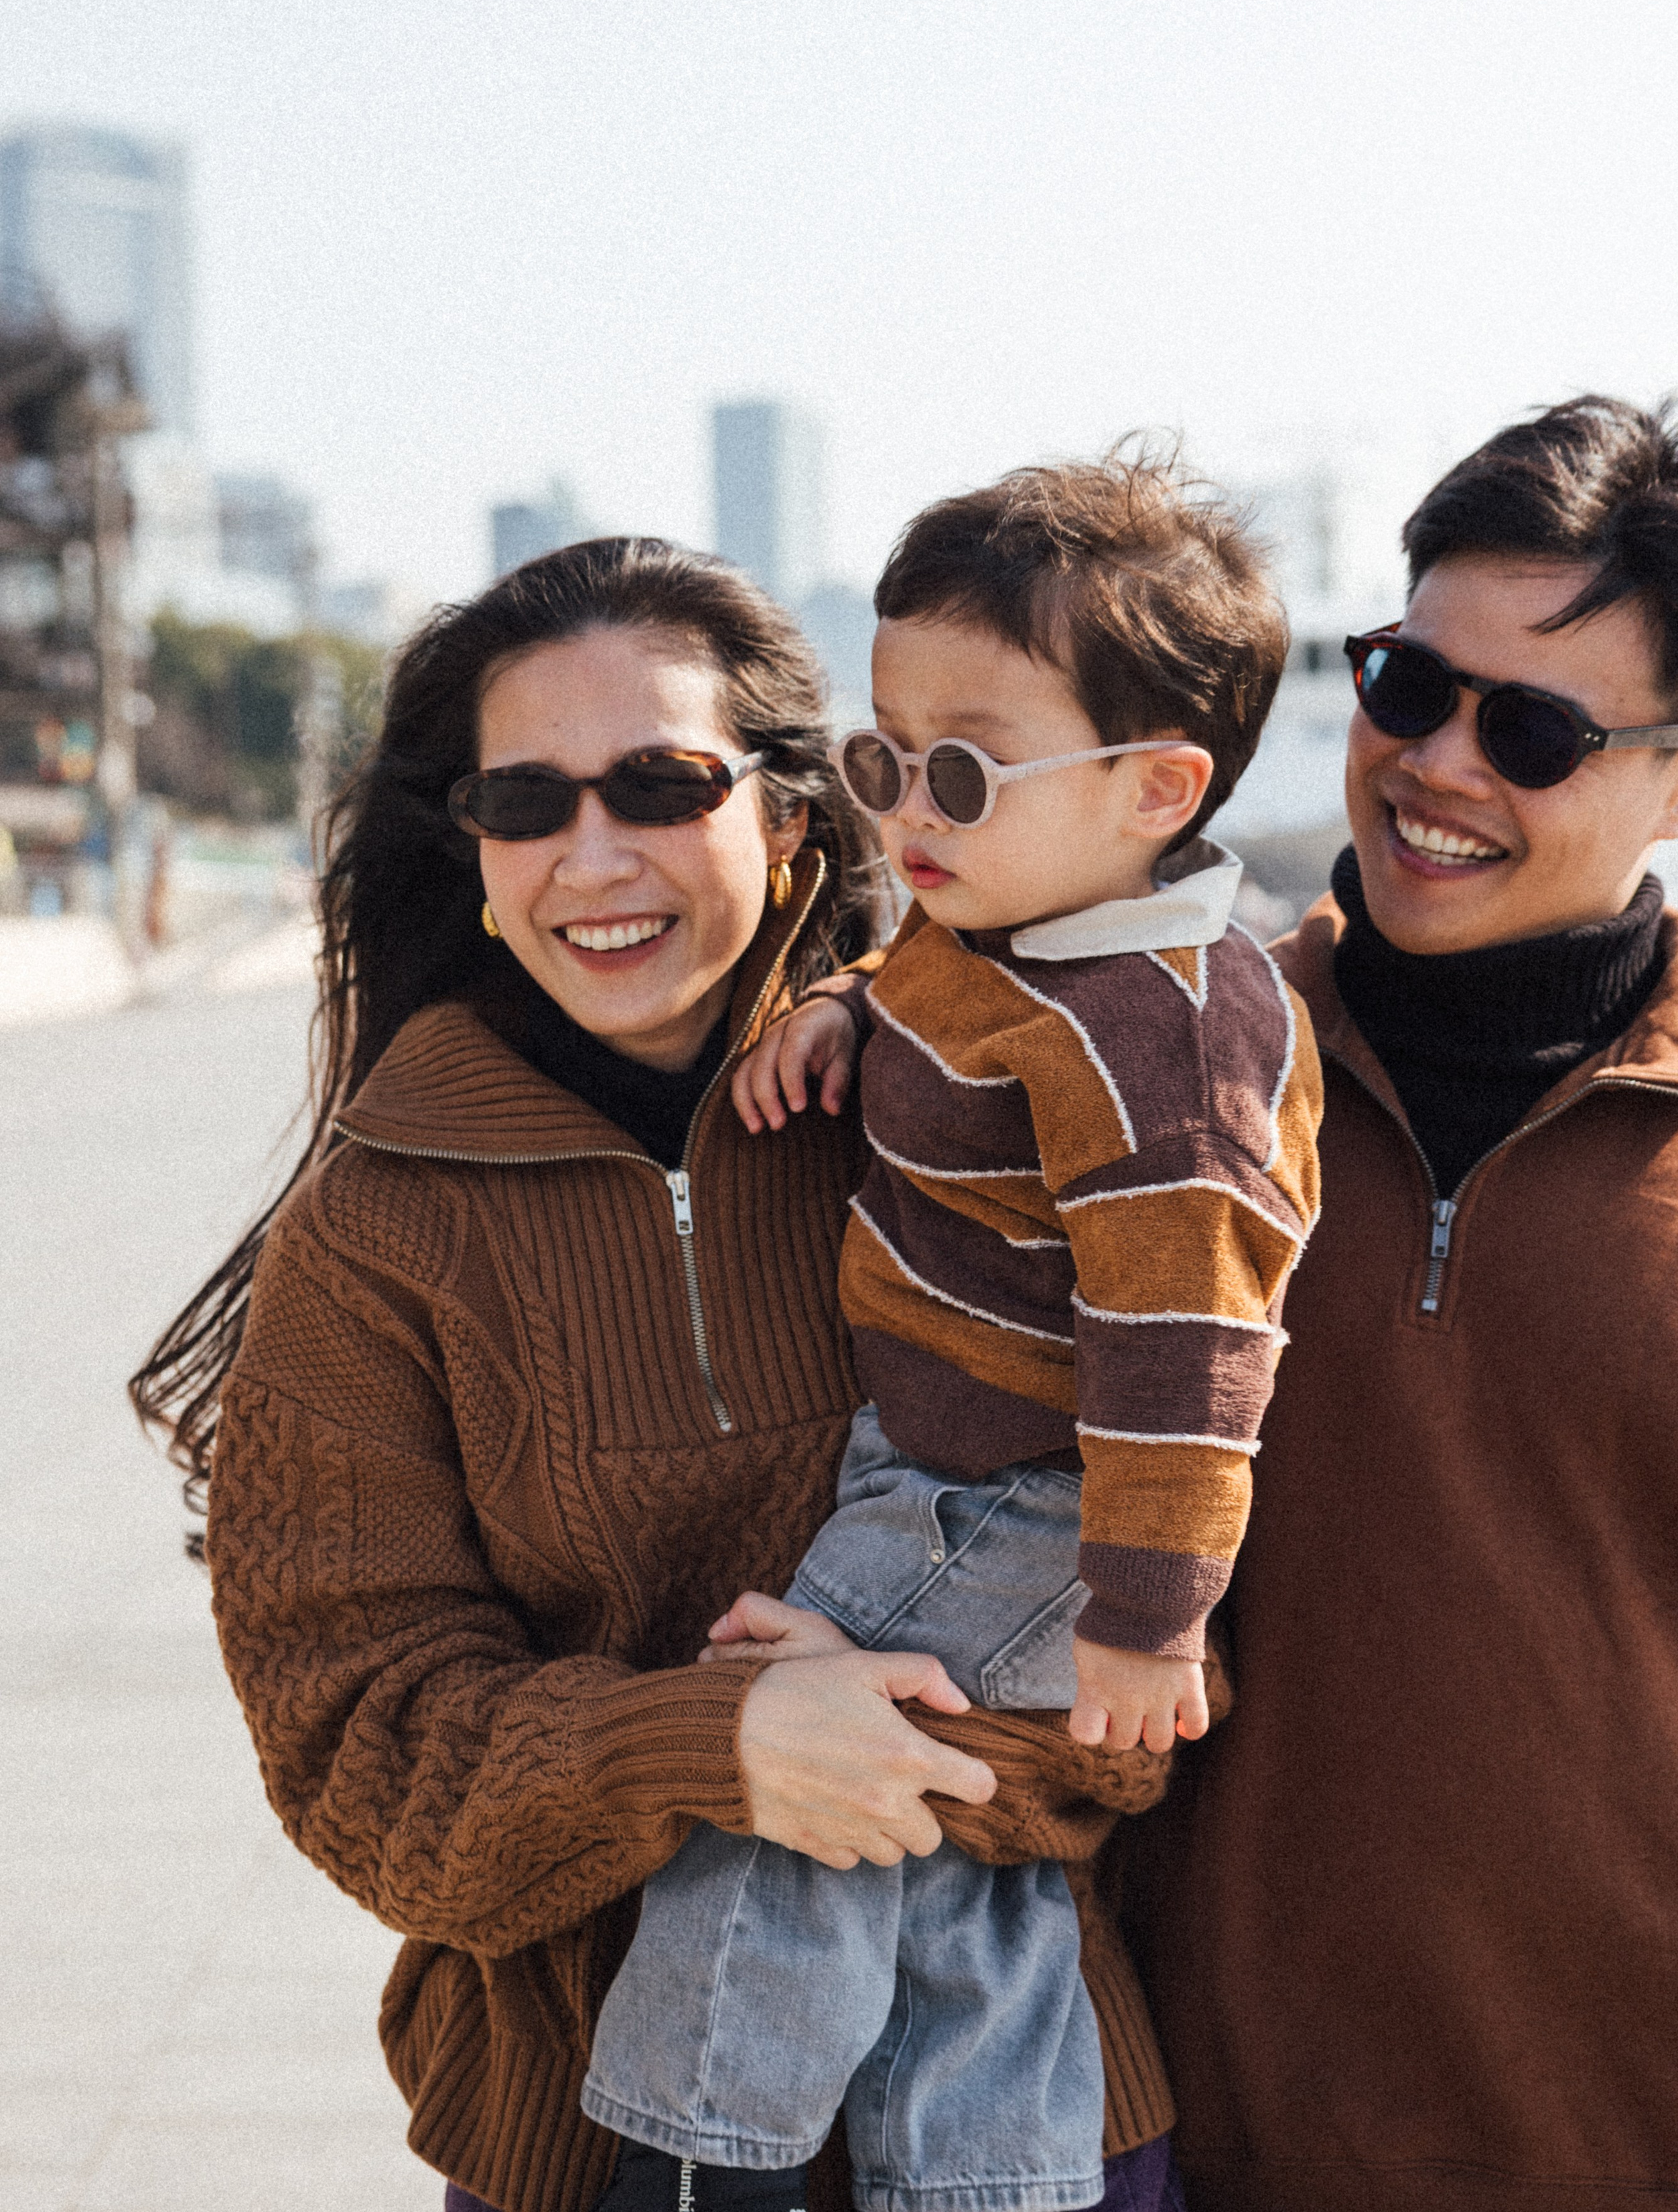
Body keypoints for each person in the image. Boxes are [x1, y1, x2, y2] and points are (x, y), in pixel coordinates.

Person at [129, 536, 1178, 2212]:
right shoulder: (375, 1231)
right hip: (589, 2138)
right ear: (469, 852)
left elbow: (1162, 1622)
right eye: (524, 804)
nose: (590, 854)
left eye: (660, 784)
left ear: (785, 812)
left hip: (1033, 2118)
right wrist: (723, 1744)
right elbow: (359, 1754)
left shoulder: (994, 1116)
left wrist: (929, 1747)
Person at [581, 460, 1320, 2212]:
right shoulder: (1011, 912)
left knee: (791, 1759)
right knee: (958, 1871)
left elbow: (1187, 1357)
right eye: (880, 753)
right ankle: (993, 2181)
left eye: (966, 768)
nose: (907, 807)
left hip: (1018, 1500)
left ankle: (705, 2150)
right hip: (962, 1468)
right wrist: (843, 1009)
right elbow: (933, 983)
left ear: (1157, 789)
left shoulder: (1158, 1048)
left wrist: (1147, 1624)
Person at [1129, 395, 1678, 2208]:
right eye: (1406, 687)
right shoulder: (1150, 1074)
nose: (1441, 765)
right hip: (1182, 2141)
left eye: (1533, 727)